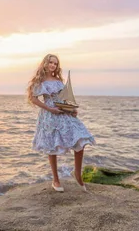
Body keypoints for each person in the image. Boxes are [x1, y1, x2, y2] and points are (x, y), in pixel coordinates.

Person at [27, 53, 95, 192]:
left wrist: (72, 109)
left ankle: (77, 173)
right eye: (51, 62)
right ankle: (56, 180)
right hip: (50, 115)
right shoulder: (39, 81)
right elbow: (33, 99)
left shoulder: (58, 80)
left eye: (55, 63)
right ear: (45, 63)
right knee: (52, 146)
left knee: (80, 138)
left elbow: (64, 98)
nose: (53, 65)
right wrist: (50, 109)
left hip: (64, 113)